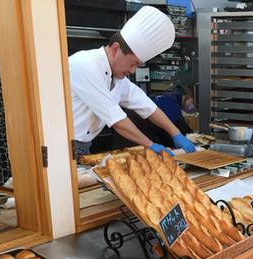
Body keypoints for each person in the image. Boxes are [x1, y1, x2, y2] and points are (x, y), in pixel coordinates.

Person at [68, 6, 196, 159]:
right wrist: (150, 145)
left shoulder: (117, 77)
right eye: (133, 63)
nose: (133, 70)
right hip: (63, 146)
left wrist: (176, 133)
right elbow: (117, 120)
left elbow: (147, 106)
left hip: (83, 147)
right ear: (115, 49)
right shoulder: (86, 65)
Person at [113, 85, 195, 151]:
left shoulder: (167, 97)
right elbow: (180, 128)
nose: (194, 109)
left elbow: (164, 130)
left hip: (130, 134)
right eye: (195, 105)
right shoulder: (171, 104)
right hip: (130, 136)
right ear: (188, 98)